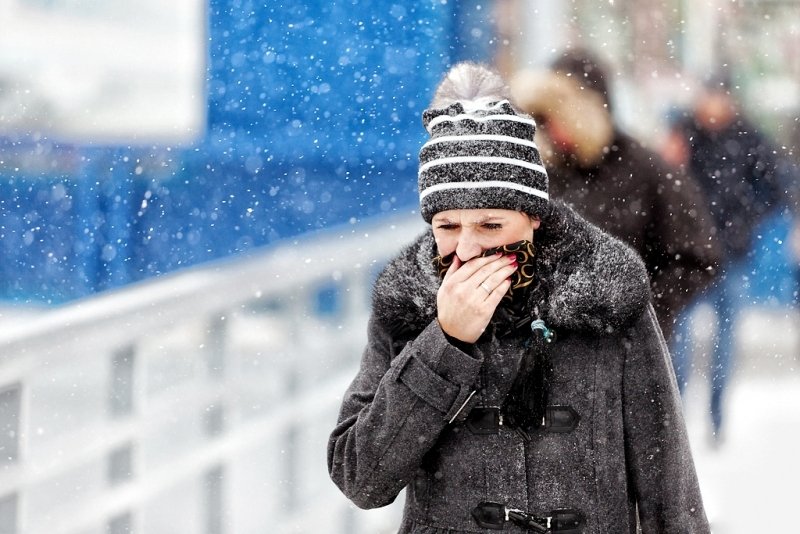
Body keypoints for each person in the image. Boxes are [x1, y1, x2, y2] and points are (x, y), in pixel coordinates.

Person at [328, 62, 710, 533]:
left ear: (533, 217)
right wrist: (443, 345)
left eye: (490, 225)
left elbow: (668, 487)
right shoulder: (409, 302)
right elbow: (361, 478)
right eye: (447, 226)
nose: (467, 249)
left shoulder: (607, 292)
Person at [509, 48, 721, 342]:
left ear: (590, 112)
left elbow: (698, 256)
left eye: (559, 117)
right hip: (549, 355)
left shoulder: (647, 170)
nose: (552, 130)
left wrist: (642, 311)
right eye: (543, 119)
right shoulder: (538, 169)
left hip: (630, 360)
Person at [661, 70, 791, 442]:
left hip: (730, 254)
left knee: (724, 338)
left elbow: (775, 186)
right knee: (679, 337)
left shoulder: (748, 138)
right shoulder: (684, 133)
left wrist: (744, 219)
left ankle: (717, 419)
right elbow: (664, 182)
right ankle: (678, 418)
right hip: (687, 255)